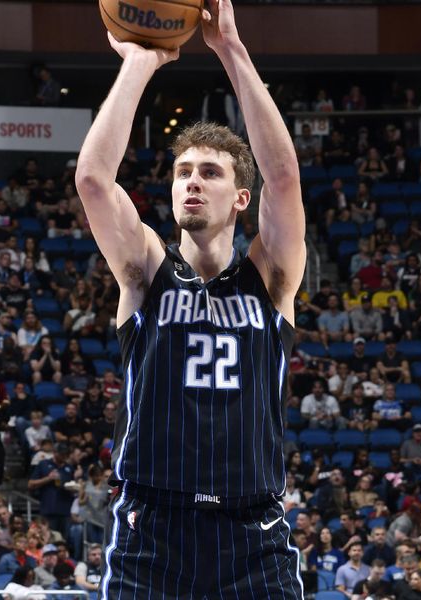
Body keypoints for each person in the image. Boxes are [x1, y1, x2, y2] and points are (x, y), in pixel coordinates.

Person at [75, 1, 306, 598]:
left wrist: (231, 49)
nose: (192, 182)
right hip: (152, 530)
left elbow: (284, 178)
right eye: (182, 173)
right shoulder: (145, 271)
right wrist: (139, 62)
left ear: (241, 199)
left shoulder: (272, 275)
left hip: (251, 532)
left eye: (210, 172)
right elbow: (94, 180)